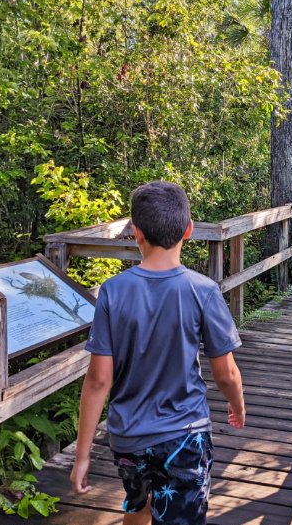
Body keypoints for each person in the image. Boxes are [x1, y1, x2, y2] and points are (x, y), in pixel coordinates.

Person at [70, 181, 245, 525]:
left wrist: (82, 456)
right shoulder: (203, 291)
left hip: (128, 439)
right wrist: (237, 405)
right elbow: (226, 374)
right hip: (184, 436)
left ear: (136, 233)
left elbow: (97, 382)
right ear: (189, 231)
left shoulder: (113, 291)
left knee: (139, 505)